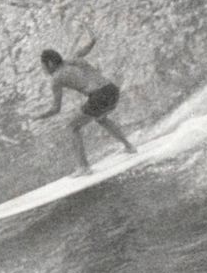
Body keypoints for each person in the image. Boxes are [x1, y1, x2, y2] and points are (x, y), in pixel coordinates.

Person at [31, 32, 136, 175]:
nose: (43, 69)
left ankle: (83, 167)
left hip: (99, 96)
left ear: (49, 64)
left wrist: (38, 117)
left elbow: (56, 109)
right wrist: (92, 38)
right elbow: (88, 47)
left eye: (43, 66)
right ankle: (129, 146)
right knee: (101, 118)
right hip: (112, 89)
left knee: (72, 127)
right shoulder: (75, 59)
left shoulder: (56, 78)